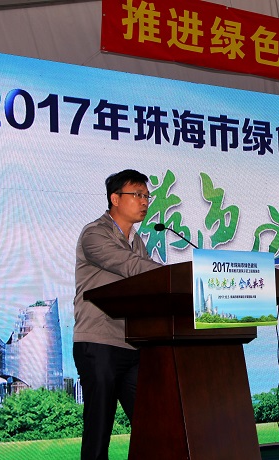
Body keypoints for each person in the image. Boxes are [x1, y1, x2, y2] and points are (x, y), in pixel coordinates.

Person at [73, 169, 162, 460]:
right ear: (115, 198)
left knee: (153, 426)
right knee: (99, 432)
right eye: (137, 195)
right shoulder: (94, 234)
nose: (144, 201)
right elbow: (130, 267)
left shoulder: (137, 241)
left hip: (132, 345)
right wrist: (179, 273)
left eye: (146, 196)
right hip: (99, 343)